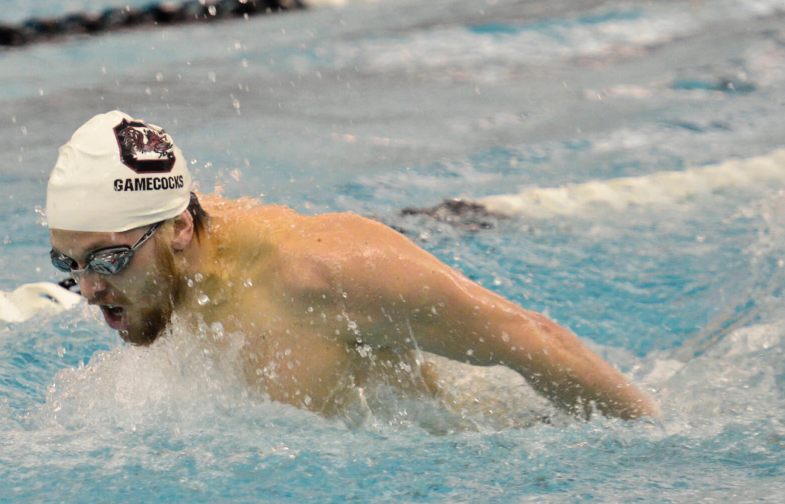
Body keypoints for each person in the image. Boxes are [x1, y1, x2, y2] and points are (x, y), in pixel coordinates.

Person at [45, 110, 659, 421]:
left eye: (109, 258)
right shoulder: (166, 268)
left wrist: (653, 442)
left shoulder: (319, 274)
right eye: (69, 263)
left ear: (180, 228)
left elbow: (530, 339)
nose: (90, 289)